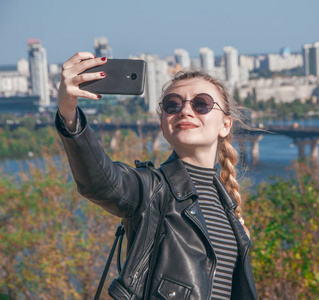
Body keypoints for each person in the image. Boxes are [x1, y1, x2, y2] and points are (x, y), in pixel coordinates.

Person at [55, 52, 258, 300]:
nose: (185, 110)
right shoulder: (151, 188)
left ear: (225, 125)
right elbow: (100, 182)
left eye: (201, 104)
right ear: (163, 124)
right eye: (172, 105)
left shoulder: (228, 207)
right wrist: (69, 114)